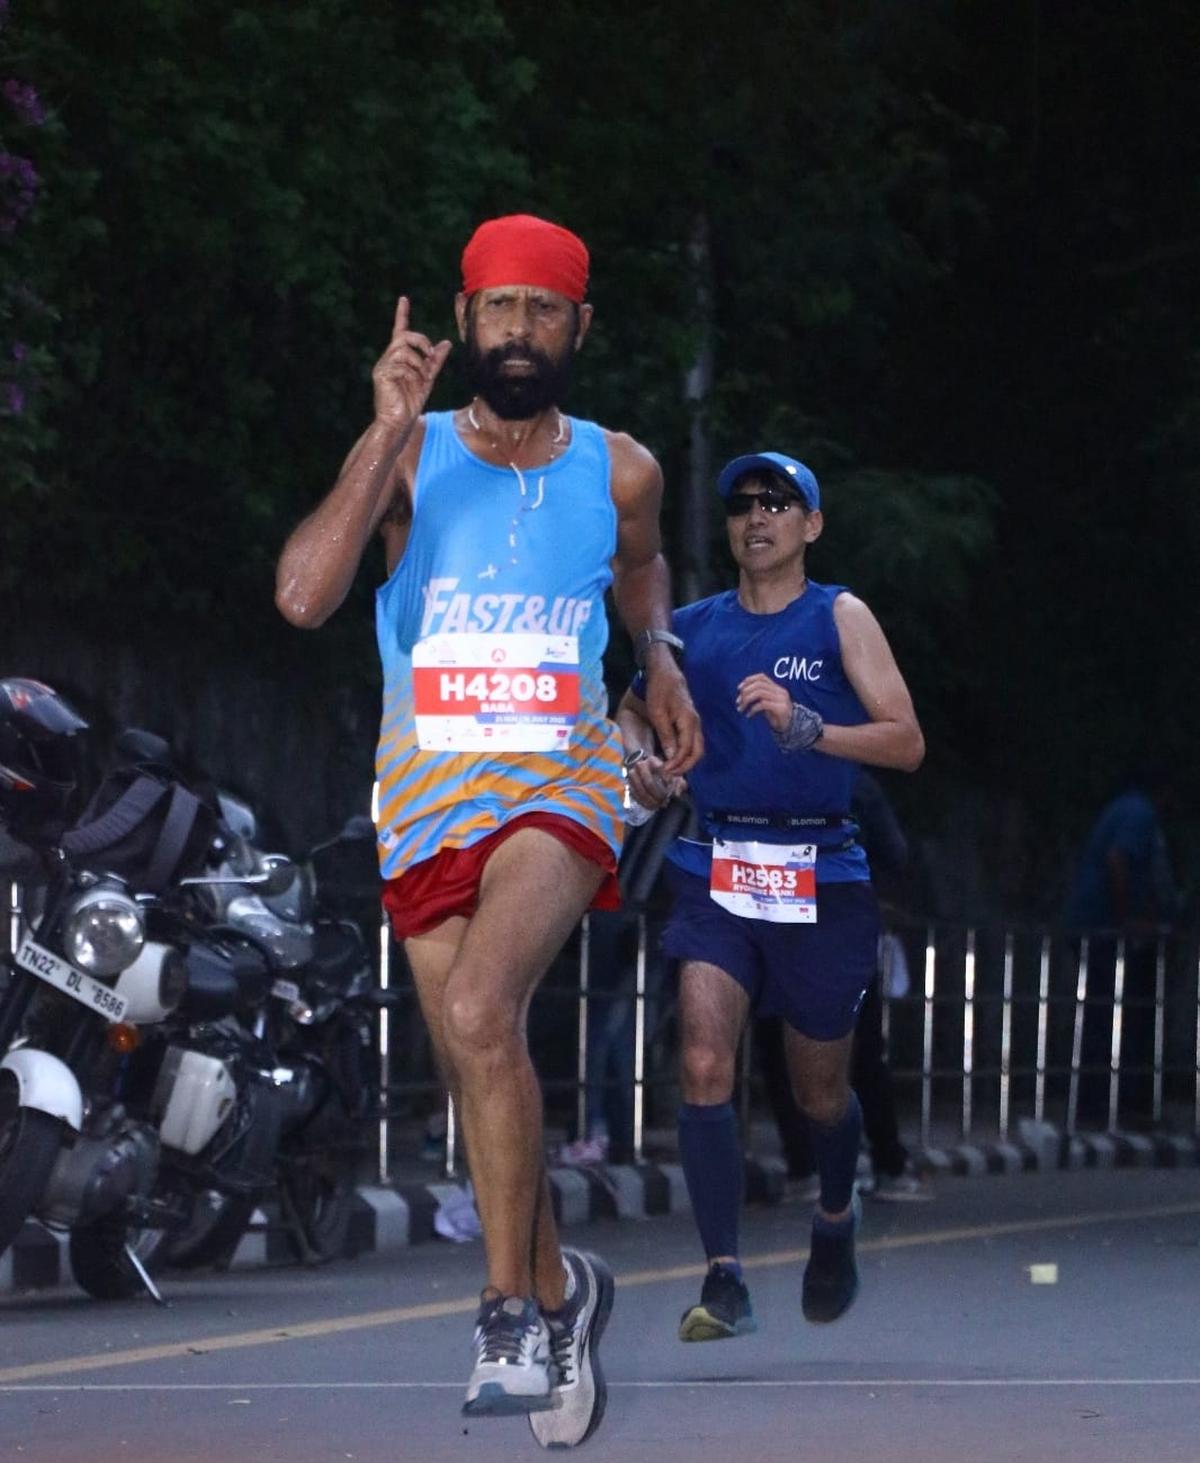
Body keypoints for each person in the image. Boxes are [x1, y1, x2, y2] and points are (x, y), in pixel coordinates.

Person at [275, 213, 702, 1445]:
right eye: (498, 308)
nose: (519, 331)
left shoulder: (619, 467)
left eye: (544, 310)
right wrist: (383, 430)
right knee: (481, 1057)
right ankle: (567, 1292)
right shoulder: (409, 459)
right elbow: (305, 595)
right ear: (462, 323)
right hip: (422, 792)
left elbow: (641, 565)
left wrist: (658, 649)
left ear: (581, 328)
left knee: (476, 1013)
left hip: (564, 779)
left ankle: (508, 1308)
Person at [616, 450, 924, 1341]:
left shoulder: (841, 615)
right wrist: (641, 759)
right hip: (717, 868)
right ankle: (726, 1277)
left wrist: (807, 725)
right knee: (706, 1063)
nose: (758, 517)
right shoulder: (696, 629)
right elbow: (633, 706)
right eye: (745, 504)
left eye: (779, 503)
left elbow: (906, 741)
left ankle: (835, 1211)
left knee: (818, 1092)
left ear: (811, 525)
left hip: (821, 876)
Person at [758, 769, 931, 1202]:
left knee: (778, 1046)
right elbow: (895, 853)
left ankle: (804, 1166)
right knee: (864, 1050)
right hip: (842, 923)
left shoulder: (758, 772)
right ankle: (888, 1163)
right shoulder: (855, 779)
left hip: (777, 920)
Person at [1063, 766, 1179, 1125]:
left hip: (1098, 925)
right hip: (1107, 929)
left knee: (1105, 1015)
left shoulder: (1124, 808)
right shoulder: (1140, 814)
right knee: (1118, 1017)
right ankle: (1118, 1106)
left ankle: (1105, 1105)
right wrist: (1130, 918)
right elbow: (1118, 859)